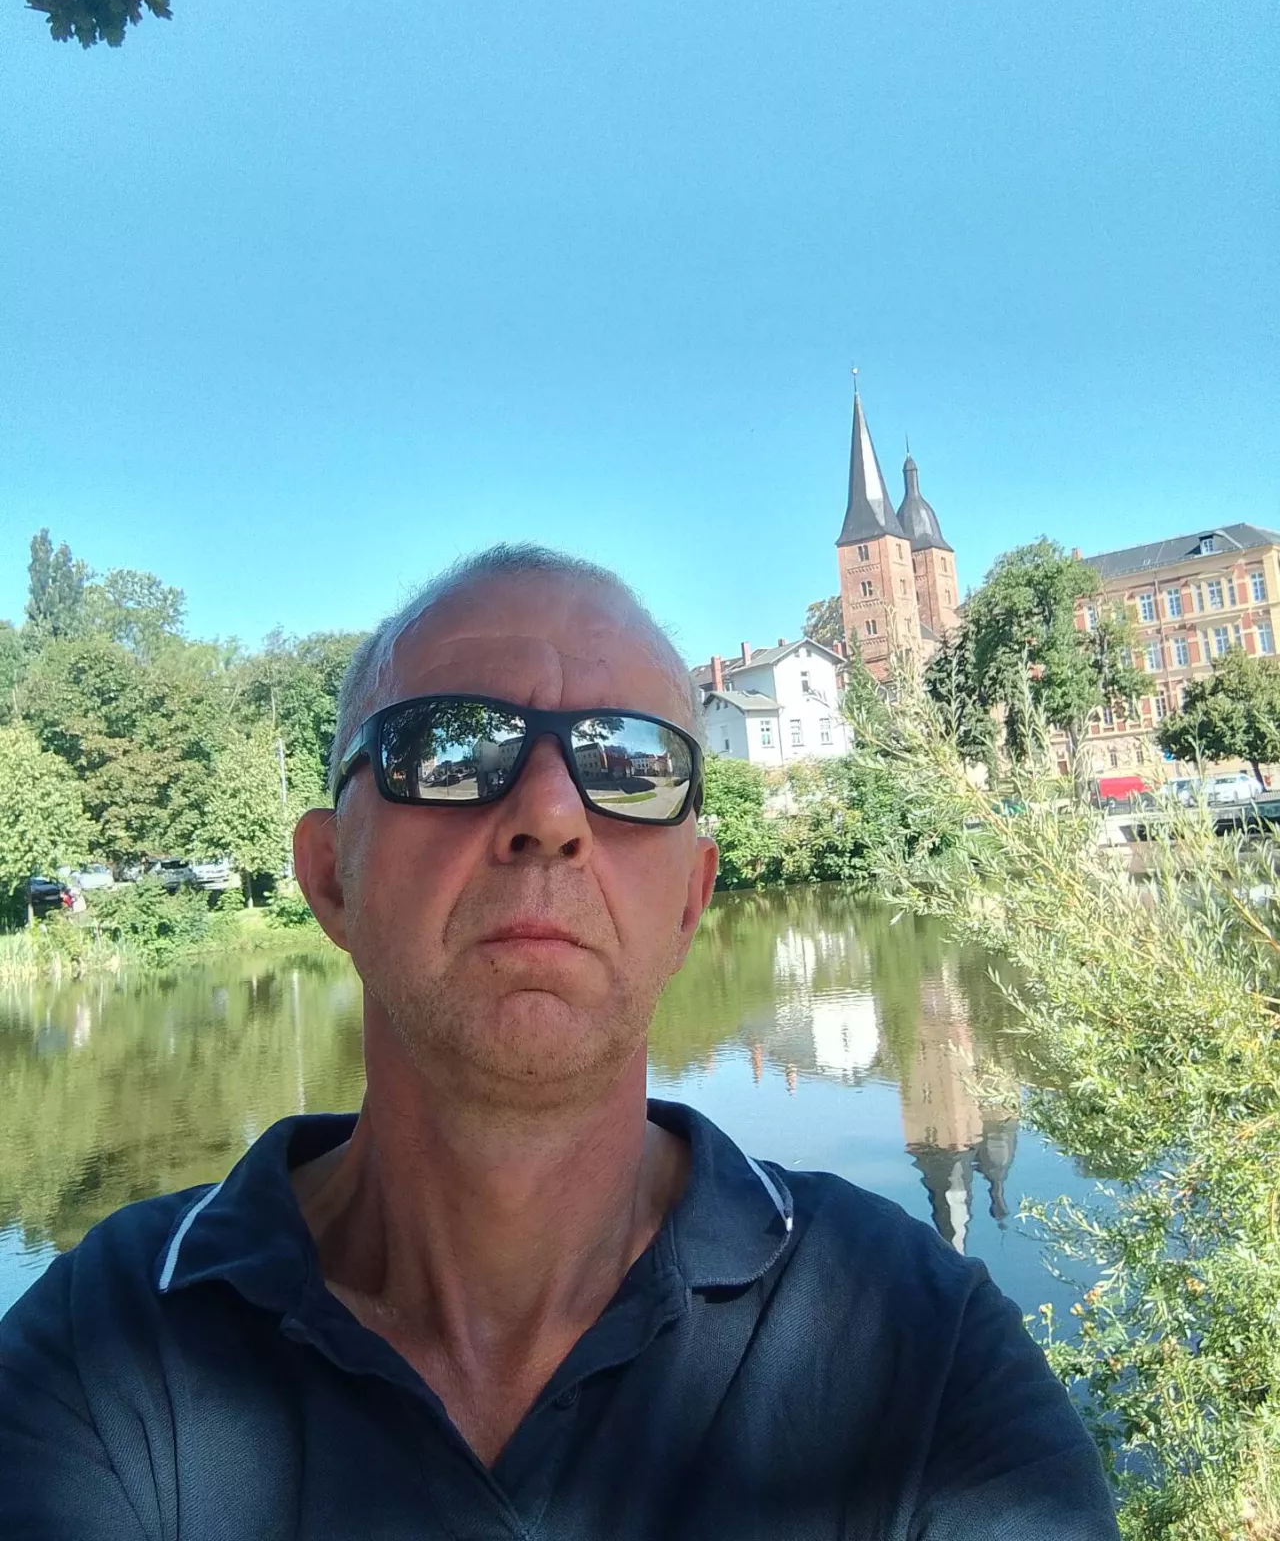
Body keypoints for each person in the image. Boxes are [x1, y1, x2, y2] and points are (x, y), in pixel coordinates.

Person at [0, 545, 1121, 1538]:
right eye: (451, 752)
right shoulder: (111, 1351)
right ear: (330, 876)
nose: (549, 813)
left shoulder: (911, 1343)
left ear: (690, 903)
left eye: (630, 765)